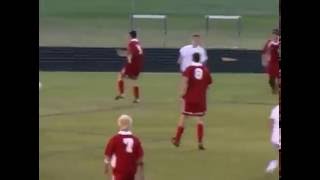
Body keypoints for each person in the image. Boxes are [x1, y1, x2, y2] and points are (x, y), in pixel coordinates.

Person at [172, 53, 213, 150]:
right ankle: (200, 142)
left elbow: (185, 81)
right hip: (201, 99)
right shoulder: (205, 70)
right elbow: (209, 85)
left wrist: (182, 93)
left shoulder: (189, 69)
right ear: (200, 59)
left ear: (192, 59)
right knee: (200, 120)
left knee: (183, 116)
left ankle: (177, 139)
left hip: (189, 98)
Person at [104, 114, 144, 180]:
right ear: (130, 125)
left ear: (119, 124)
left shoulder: (114, 139)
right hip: (131, 172)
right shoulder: (136, 140)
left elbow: (108, 156)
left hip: (118, 171)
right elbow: (140, 158)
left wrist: (106, 167)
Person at [115, 30, 144, 103]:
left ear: (130, 36)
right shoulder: (138, 43)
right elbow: (139, 54)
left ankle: (122, 94)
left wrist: (129, 60)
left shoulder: (131, 43)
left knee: (120, 75)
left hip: (131, 64)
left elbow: (132, 54)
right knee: (134, 80)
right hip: (138, 64)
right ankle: (137, 99)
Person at [265, 76, 281, 174]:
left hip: (274, 138)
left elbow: (271, 123)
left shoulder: (275, 109)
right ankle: (274, 163)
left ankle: (274, 163)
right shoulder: (276, 110)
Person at [261, 28, 280, 94]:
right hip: (271, 63)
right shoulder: (269, 42)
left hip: (278, 62)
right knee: (271, 81)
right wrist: (264, 61)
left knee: (279, 78)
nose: (275, 35)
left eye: (276, 34)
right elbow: (264, 51)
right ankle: (274, 88)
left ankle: (277, 89)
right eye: (274, 34)